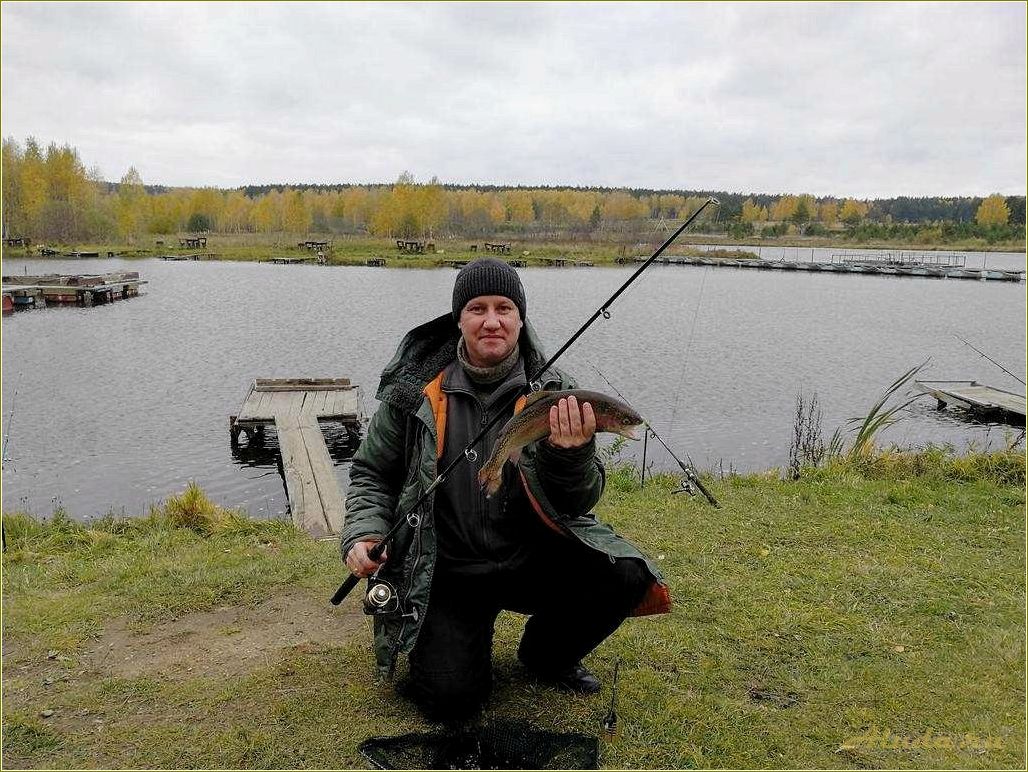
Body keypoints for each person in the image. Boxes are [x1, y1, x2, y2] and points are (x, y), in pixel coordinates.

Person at [342, 257, 671, 721]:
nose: (492, 321)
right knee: (450, 701)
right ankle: (449, 653)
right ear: (459, 318)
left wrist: (569, 455)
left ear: (521, 317)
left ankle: (546, 655)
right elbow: (372, 474)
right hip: (448, 570)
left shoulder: (558, 392)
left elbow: (579, 502)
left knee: (626, 574)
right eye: (477, 308)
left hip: (532, 559)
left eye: (504, 308)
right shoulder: (413, 390)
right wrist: (363, 534)